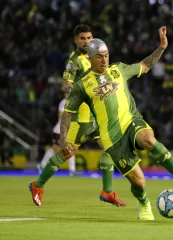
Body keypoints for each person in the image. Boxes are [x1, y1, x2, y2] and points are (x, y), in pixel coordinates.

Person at [60, 27, 173, 220]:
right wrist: (63, 138)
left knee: (148, 138)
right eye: (99, 57)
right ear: (90, 58)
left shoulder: (118, 69)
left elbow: (145, 65)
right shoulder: (82, 85)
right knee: (139, 182)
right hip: (113, 139)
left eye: (106, 55)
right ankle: (144, 203)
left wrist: (162, 47)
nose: (104, 60)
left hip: (131, 121)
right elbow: (67, 112)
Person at [29, 24, 125, 207]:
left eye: (89, 38)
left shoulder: (95, 57)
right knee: (66, 152)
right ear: (75, 40)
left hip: (96, 115)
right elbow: (66, 82)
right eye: (83, 38)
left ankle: (107, 191)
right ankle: (37, 185)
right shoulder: (74, 61)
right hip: (80, 118)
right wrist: (70, 89)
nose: (87, 41)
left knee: (110, 148)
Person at [37, 94, 76, 175]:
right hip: (59, 131)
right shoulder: (64, 102)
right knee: (55, 150)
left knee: (71, 149)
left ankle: (72, 171)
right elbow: (60, 115)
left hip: (67, 131)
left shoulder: (73, 102)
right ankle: (42, 165)